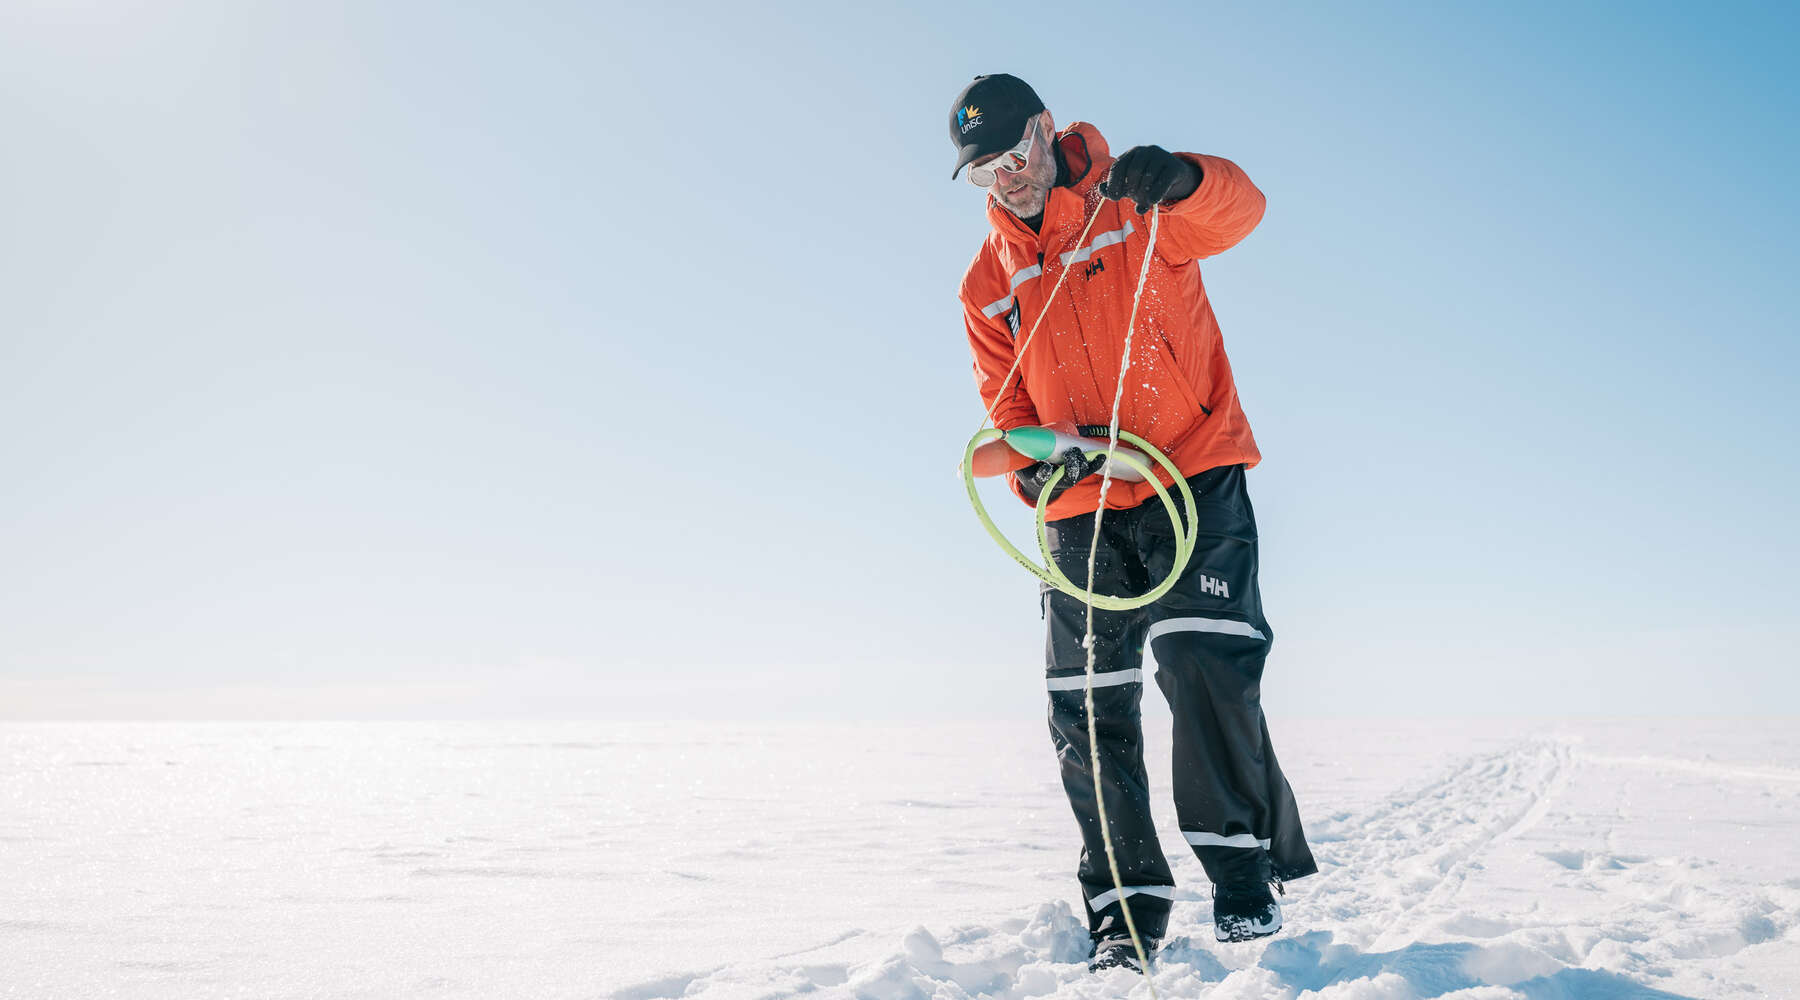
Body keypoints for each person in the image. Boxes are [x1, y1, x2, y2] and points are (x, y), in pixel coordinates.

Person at [949, 74, 1319, 973]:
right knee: (1086, 708)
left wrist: (1184, 179)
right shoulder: (986, 282)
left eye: (1013, 155)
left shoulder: (1136, 203)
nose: (1004, 178)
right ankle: (1125, 909)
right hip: (1084, 506)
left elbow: (1241, 211)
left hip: (1189, 469)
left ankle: (1242, 873)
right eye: (982, 170)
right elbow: (1006, 415)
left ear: (1045, 130)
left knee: (1203, 659)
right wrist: (1038, 468)